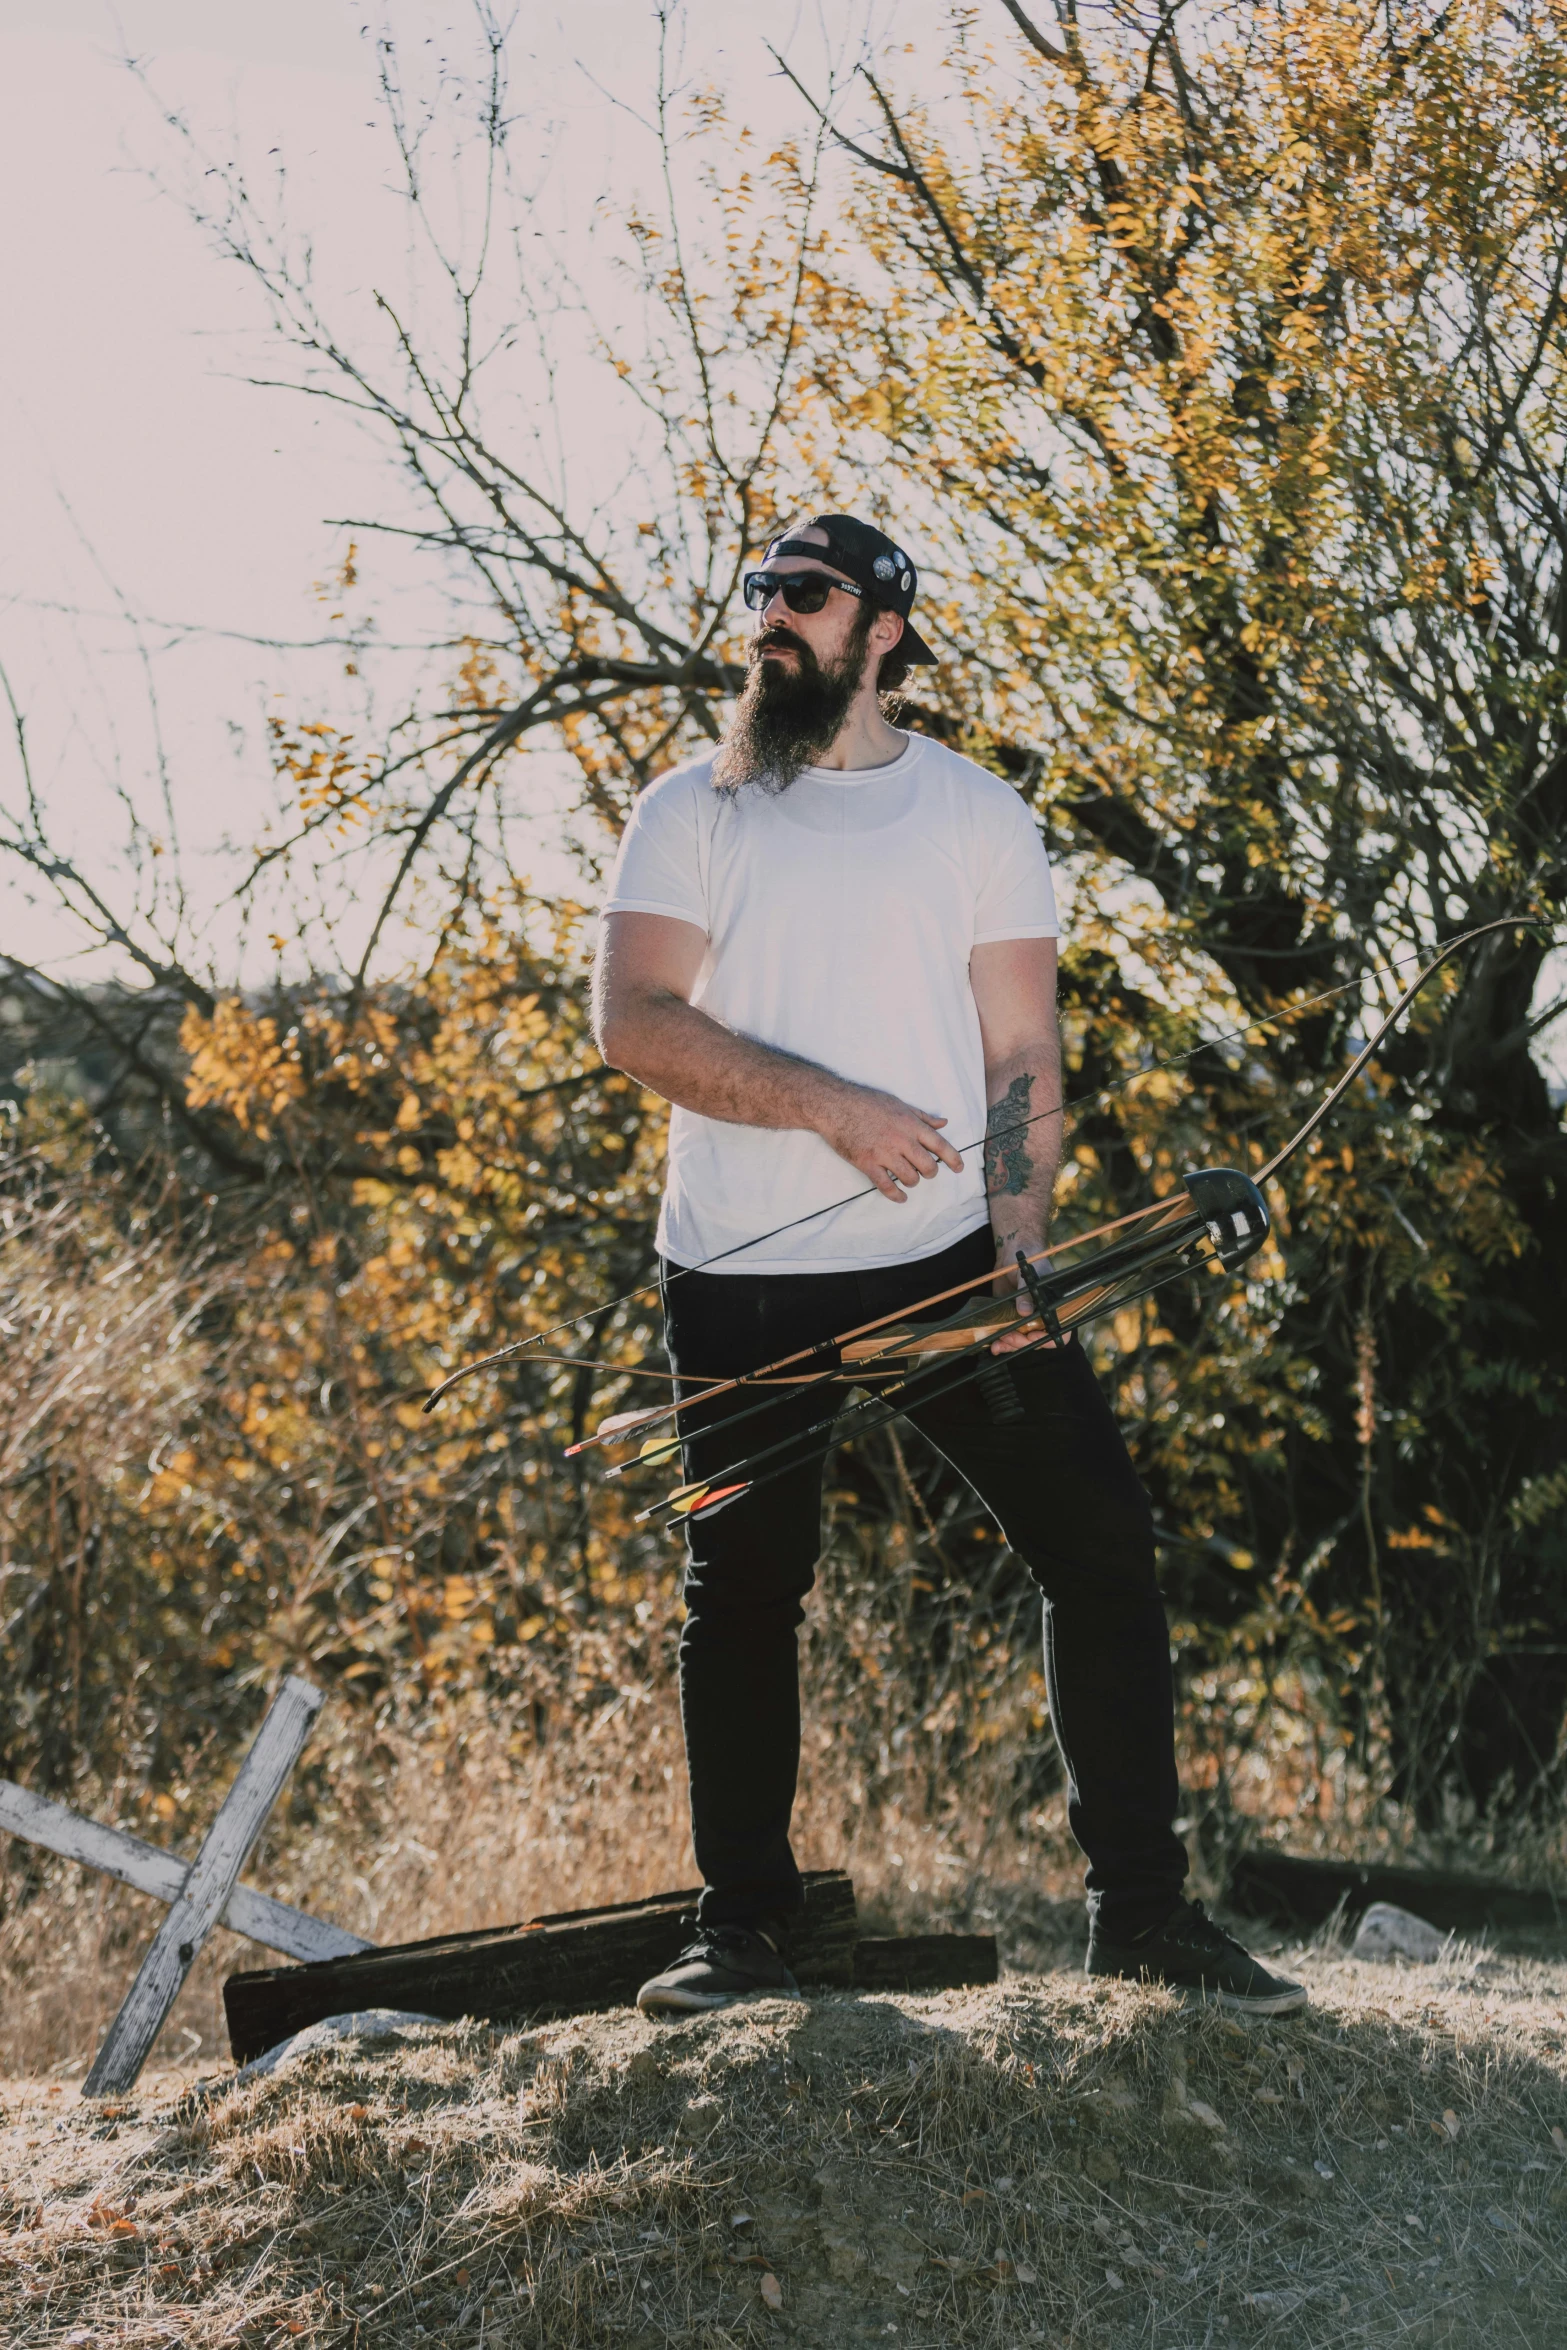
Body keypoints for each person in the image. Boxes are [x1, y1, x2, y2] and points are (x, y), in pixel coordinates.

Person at [592, 513, 1305, 2019]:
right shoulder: (693, 807)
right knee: (741, 1586)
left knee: (1098, 1547)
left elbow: (1023, 1049)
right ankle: (741, 1935)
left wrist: (1021, 1233)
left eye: (805, 594)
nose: (769, 617)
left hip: (943, 1274)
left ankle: (1143, 1915)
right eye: (758, 593)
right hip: (736, 1276)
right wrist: (832, 1107)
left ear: (887, 627)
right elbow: (638, 1023)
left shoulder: (976, 817)